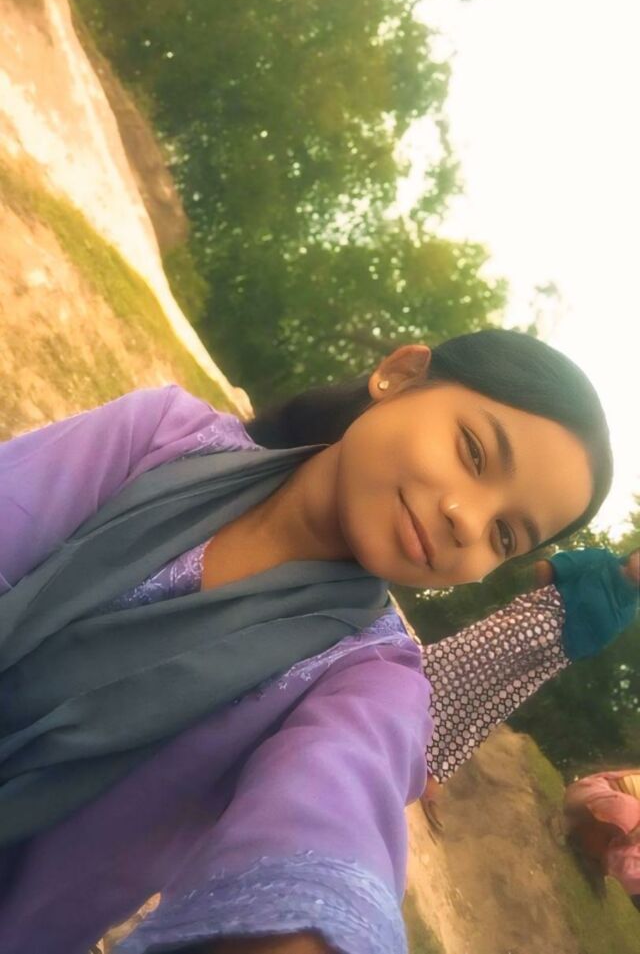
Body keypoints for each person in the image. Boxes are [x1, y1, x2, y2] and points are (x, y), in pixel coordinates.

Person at [0, 329, 613, 954]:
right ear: (399, 376)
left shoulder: (370, 678)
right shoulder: (159, 438)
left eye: (505, 536)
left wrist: (317, 926)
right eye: (475, 452)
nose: (468, 520)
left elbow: (340, 806)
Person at [418, 549, 639, 830]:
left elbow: (596, 642)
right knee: (463, 662)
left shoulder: (629, 609)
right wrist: (542, 610)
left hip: (554, 656)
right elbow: (546, 567)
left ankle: (432, 771)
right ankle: (396, 687)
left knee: (492, 704)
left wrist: (563, 651)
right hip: (532, 622)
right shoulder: (600, 561)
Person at [564, 768, 640, 904]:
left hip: (619, 832)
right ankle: (575, 831)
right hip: (595, 797)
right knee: (627, 810)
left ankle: (596, 857)